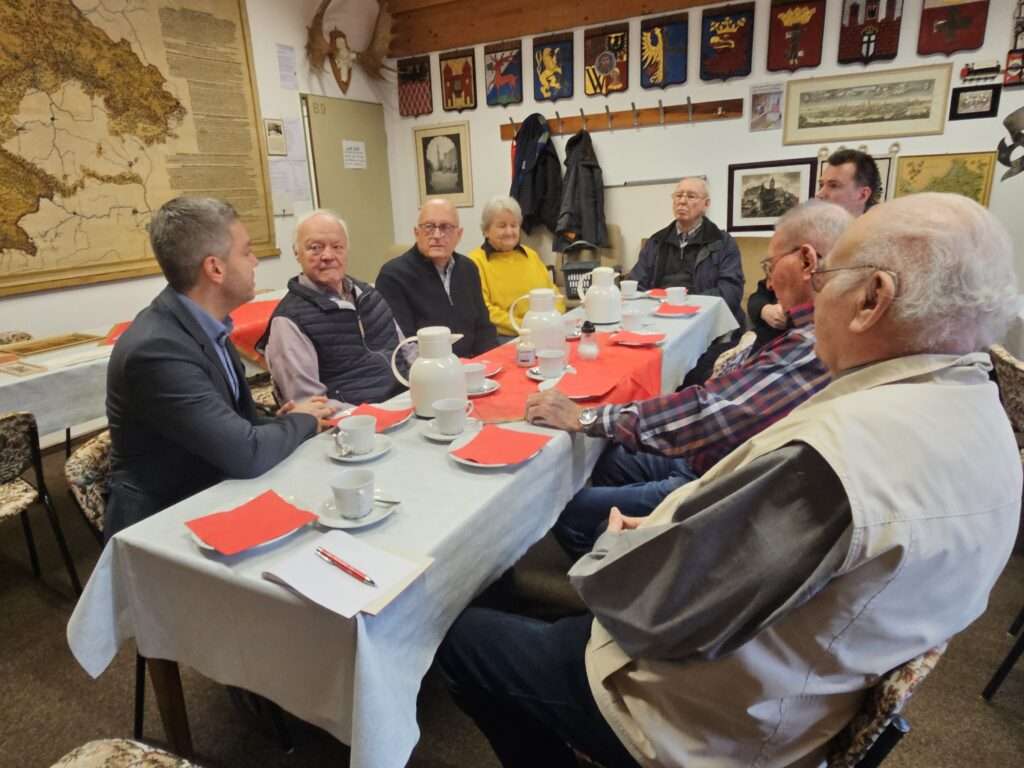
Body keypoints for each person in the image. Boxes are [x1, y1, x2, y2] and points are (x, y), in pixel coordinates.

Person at [439, 193, 1021, 768]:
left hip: (712, 720)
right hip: (812, 680)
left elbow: (655, 612)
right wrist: (676, 527)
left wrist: (618, 545)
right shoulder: (980, 412)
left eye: (827, 279)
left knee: (461, 639)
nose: (811, 297)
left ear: (872, 298)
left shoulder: (838, 455)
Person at [526, 200, 849, 557]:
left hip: (716, 480)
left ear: (807, 261)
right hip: (711, 452)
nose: (769, 282)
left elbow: (706, 412)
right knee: (610, 458)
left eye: (770, 266)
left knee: (561, 509)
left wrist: (587, 417)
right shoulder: (806, 325)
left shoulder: (816, 344)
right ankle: (622, 547)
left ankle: (610, 571)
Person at [105, 197, 333, 537]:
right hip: (164, 523)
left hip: (215, 490)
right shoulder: (156, 350)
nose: (255, 261)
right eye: (247, 252)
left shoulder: (207, 324)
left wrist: (284, 422)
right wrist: (304, 421)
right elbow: (246, 453)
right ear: (215, 269)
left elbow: (239, 422)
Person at [256, 209, 406, 410]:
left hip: (405, 401)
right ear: (296, 253)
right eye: (315, 248)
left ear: (347, 250)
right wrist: (373, 415)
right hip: (353, 420)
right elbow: (309, 404)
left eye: (337, 247)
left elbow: (405, 352)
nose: (328, 256)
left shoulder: (369, 295)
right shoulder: (289, 321)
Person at [750, 149, 881, 350]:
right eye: (821, 184)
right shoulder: (807, 231)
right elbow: (763, 290)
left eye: (833, 185)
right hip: (771, 339)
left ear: (862, 194)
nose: (820, 193)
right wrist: (764, 309)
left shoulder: (873, 251)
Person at [376, 198, 498, 358]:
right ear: (416, 233)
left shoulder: (468, 269)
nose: (437, 235)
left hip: (473, 365)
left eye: (446, 227)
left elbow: (484, 328)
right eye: (429, 227)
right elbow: (404, 346)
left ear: (459, 234)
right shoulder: (393, 276)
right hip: (427, 367)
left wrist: (490, 362)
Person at [627, 177, 744, 328]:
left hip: (704, 318)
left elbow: (731, 292)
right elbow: (636, 284)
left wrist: (686, 303)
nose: (682, 201)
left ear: (706, 204)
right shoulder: (656, 242)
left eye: (690, 196)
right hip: (659, 316)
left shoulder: (723, 243)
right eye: (678, 195)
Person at [467, 196, 565, 339]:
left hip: (545, 329)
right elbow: (485, 311)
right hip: (504, 336)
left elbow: (553, 293)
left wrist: (554, 317)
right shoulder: (475, 262)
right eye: (502, 226)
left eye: (514, 225)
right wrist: (527, 326)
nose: (509, 232)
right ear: (486, 230)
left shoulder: (531, 255)